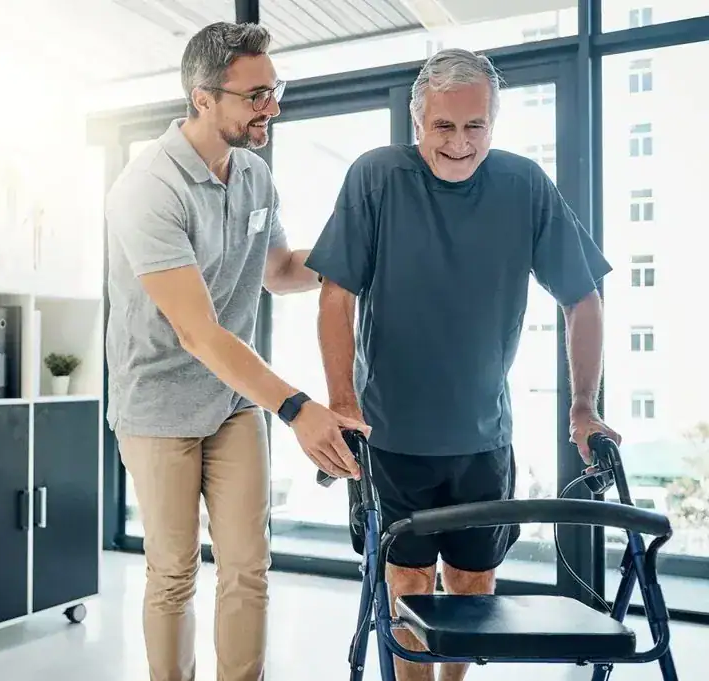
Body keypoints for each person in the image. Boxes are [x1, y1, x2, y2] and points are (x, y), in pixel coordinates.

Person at [305, 48, 621, 681]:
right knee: (409, 581)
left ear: (493, 123)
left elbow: (583, 296)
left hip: (482, 438)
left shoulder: (524, 184)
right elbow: (335, 294)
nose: (459, 142)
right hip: (389, 437)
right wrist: (340, 402)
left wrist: (584, 407)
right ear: (418, 121)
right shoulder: (376, 176)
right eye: (443, 126)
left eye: (474, 125)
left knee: (473, 582)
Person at [103, 21, 368, 681]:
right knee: (173, 570)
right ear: (203, 99)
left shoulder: (253, 176)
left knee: (249, 565)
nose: (271, 108)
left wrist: (354, 257)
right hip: (158, 403)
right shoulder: (148, 189)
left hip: (232, 400)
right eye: (255, 96)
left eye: (273, 91)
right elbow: (197, 331)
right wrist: (299, 406)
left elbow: (277, 270)